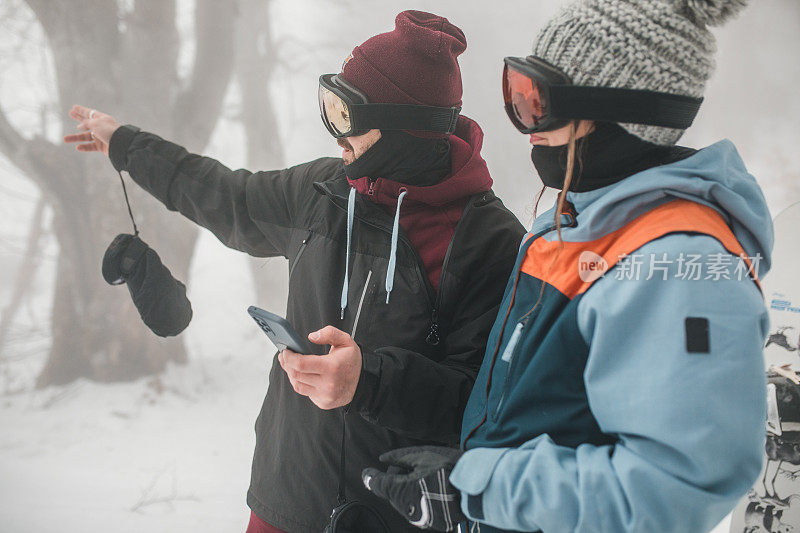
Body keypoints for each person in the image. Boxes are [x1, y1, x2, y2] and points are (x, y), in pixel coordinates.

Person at [64, 10, 524, 533]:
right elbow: (227, 196)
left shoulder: (491, 242)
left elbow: (481, 404)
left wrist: (367, 382)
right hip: (286, 502)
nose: (333, 133)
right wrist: (127, 145)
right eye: (329, 107)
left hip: (398, 514)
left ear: (404, 130)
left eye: (346, 116)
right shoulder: (324, 192)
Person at [363, 1, 773, 532]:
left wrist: (483, 488)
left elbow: (675, 486)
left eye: (538, 102)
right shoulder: (573, 223)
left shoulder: (675, 263)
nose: (523, 122)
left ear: (619, 116)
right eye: (517, 92)